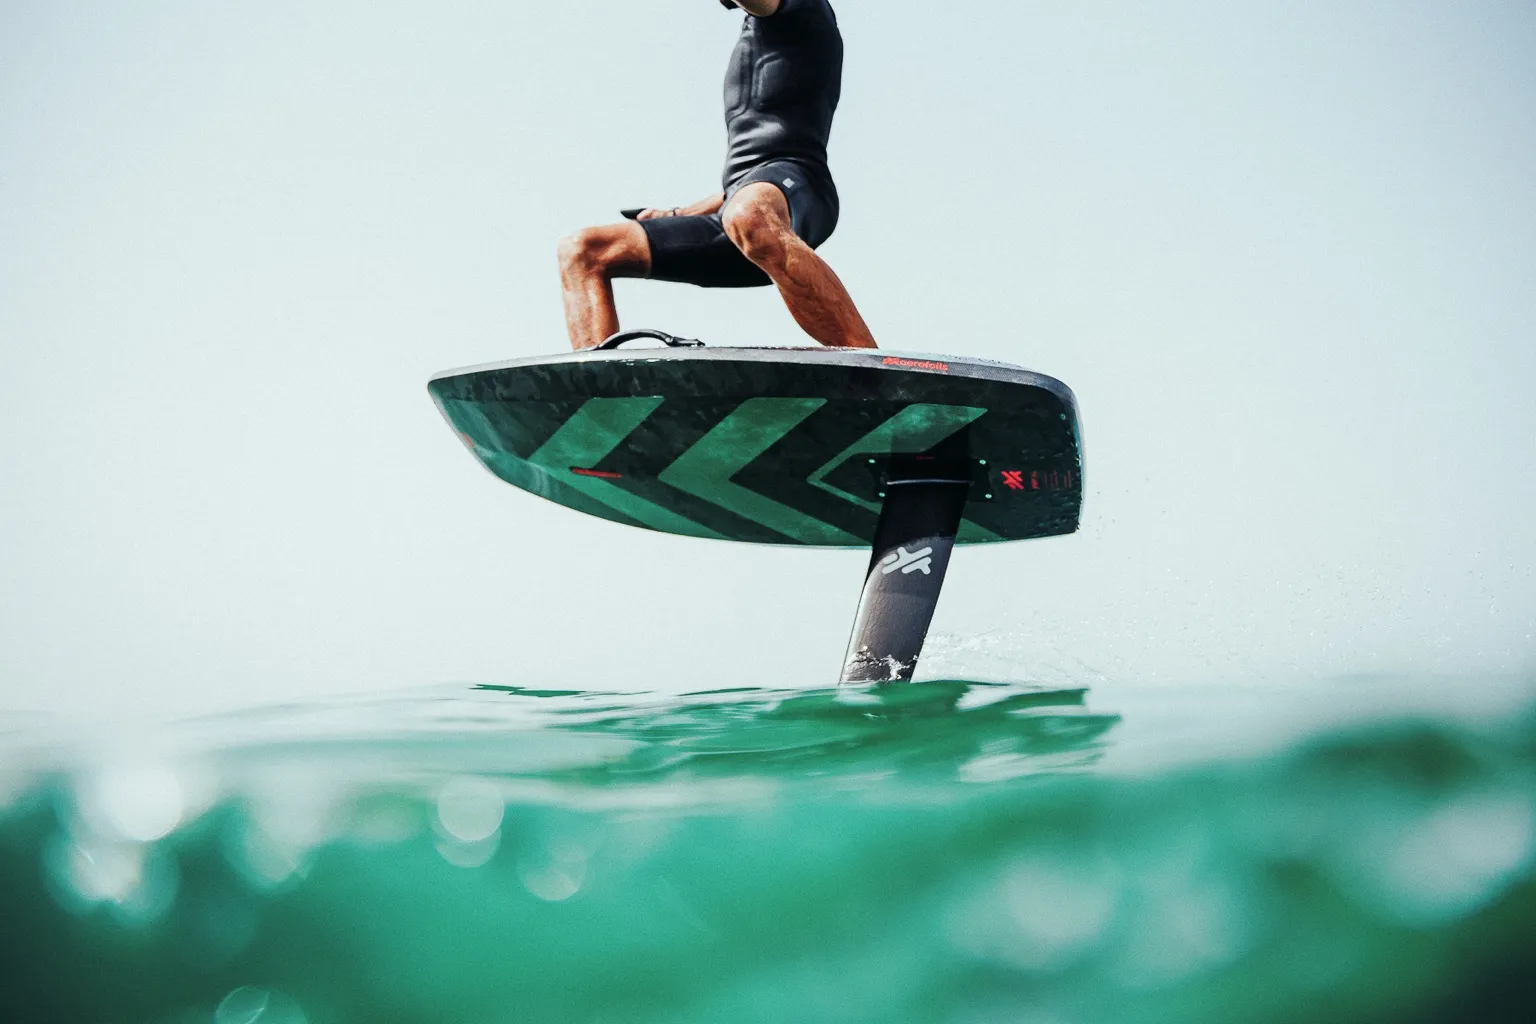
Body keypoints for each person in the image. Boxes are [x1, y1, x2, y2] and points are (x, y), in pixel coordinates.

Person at [558, 0, 877, 351]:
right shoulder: (760, 37)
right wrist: (678, 215)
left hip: (800, 190)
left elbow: (753, 198)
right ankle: (601, 399)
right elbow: (738, 190)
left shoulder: (801, 9)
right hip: (745, 215)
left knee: (749, 214)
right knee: (583, 250)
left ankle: (871, 367)